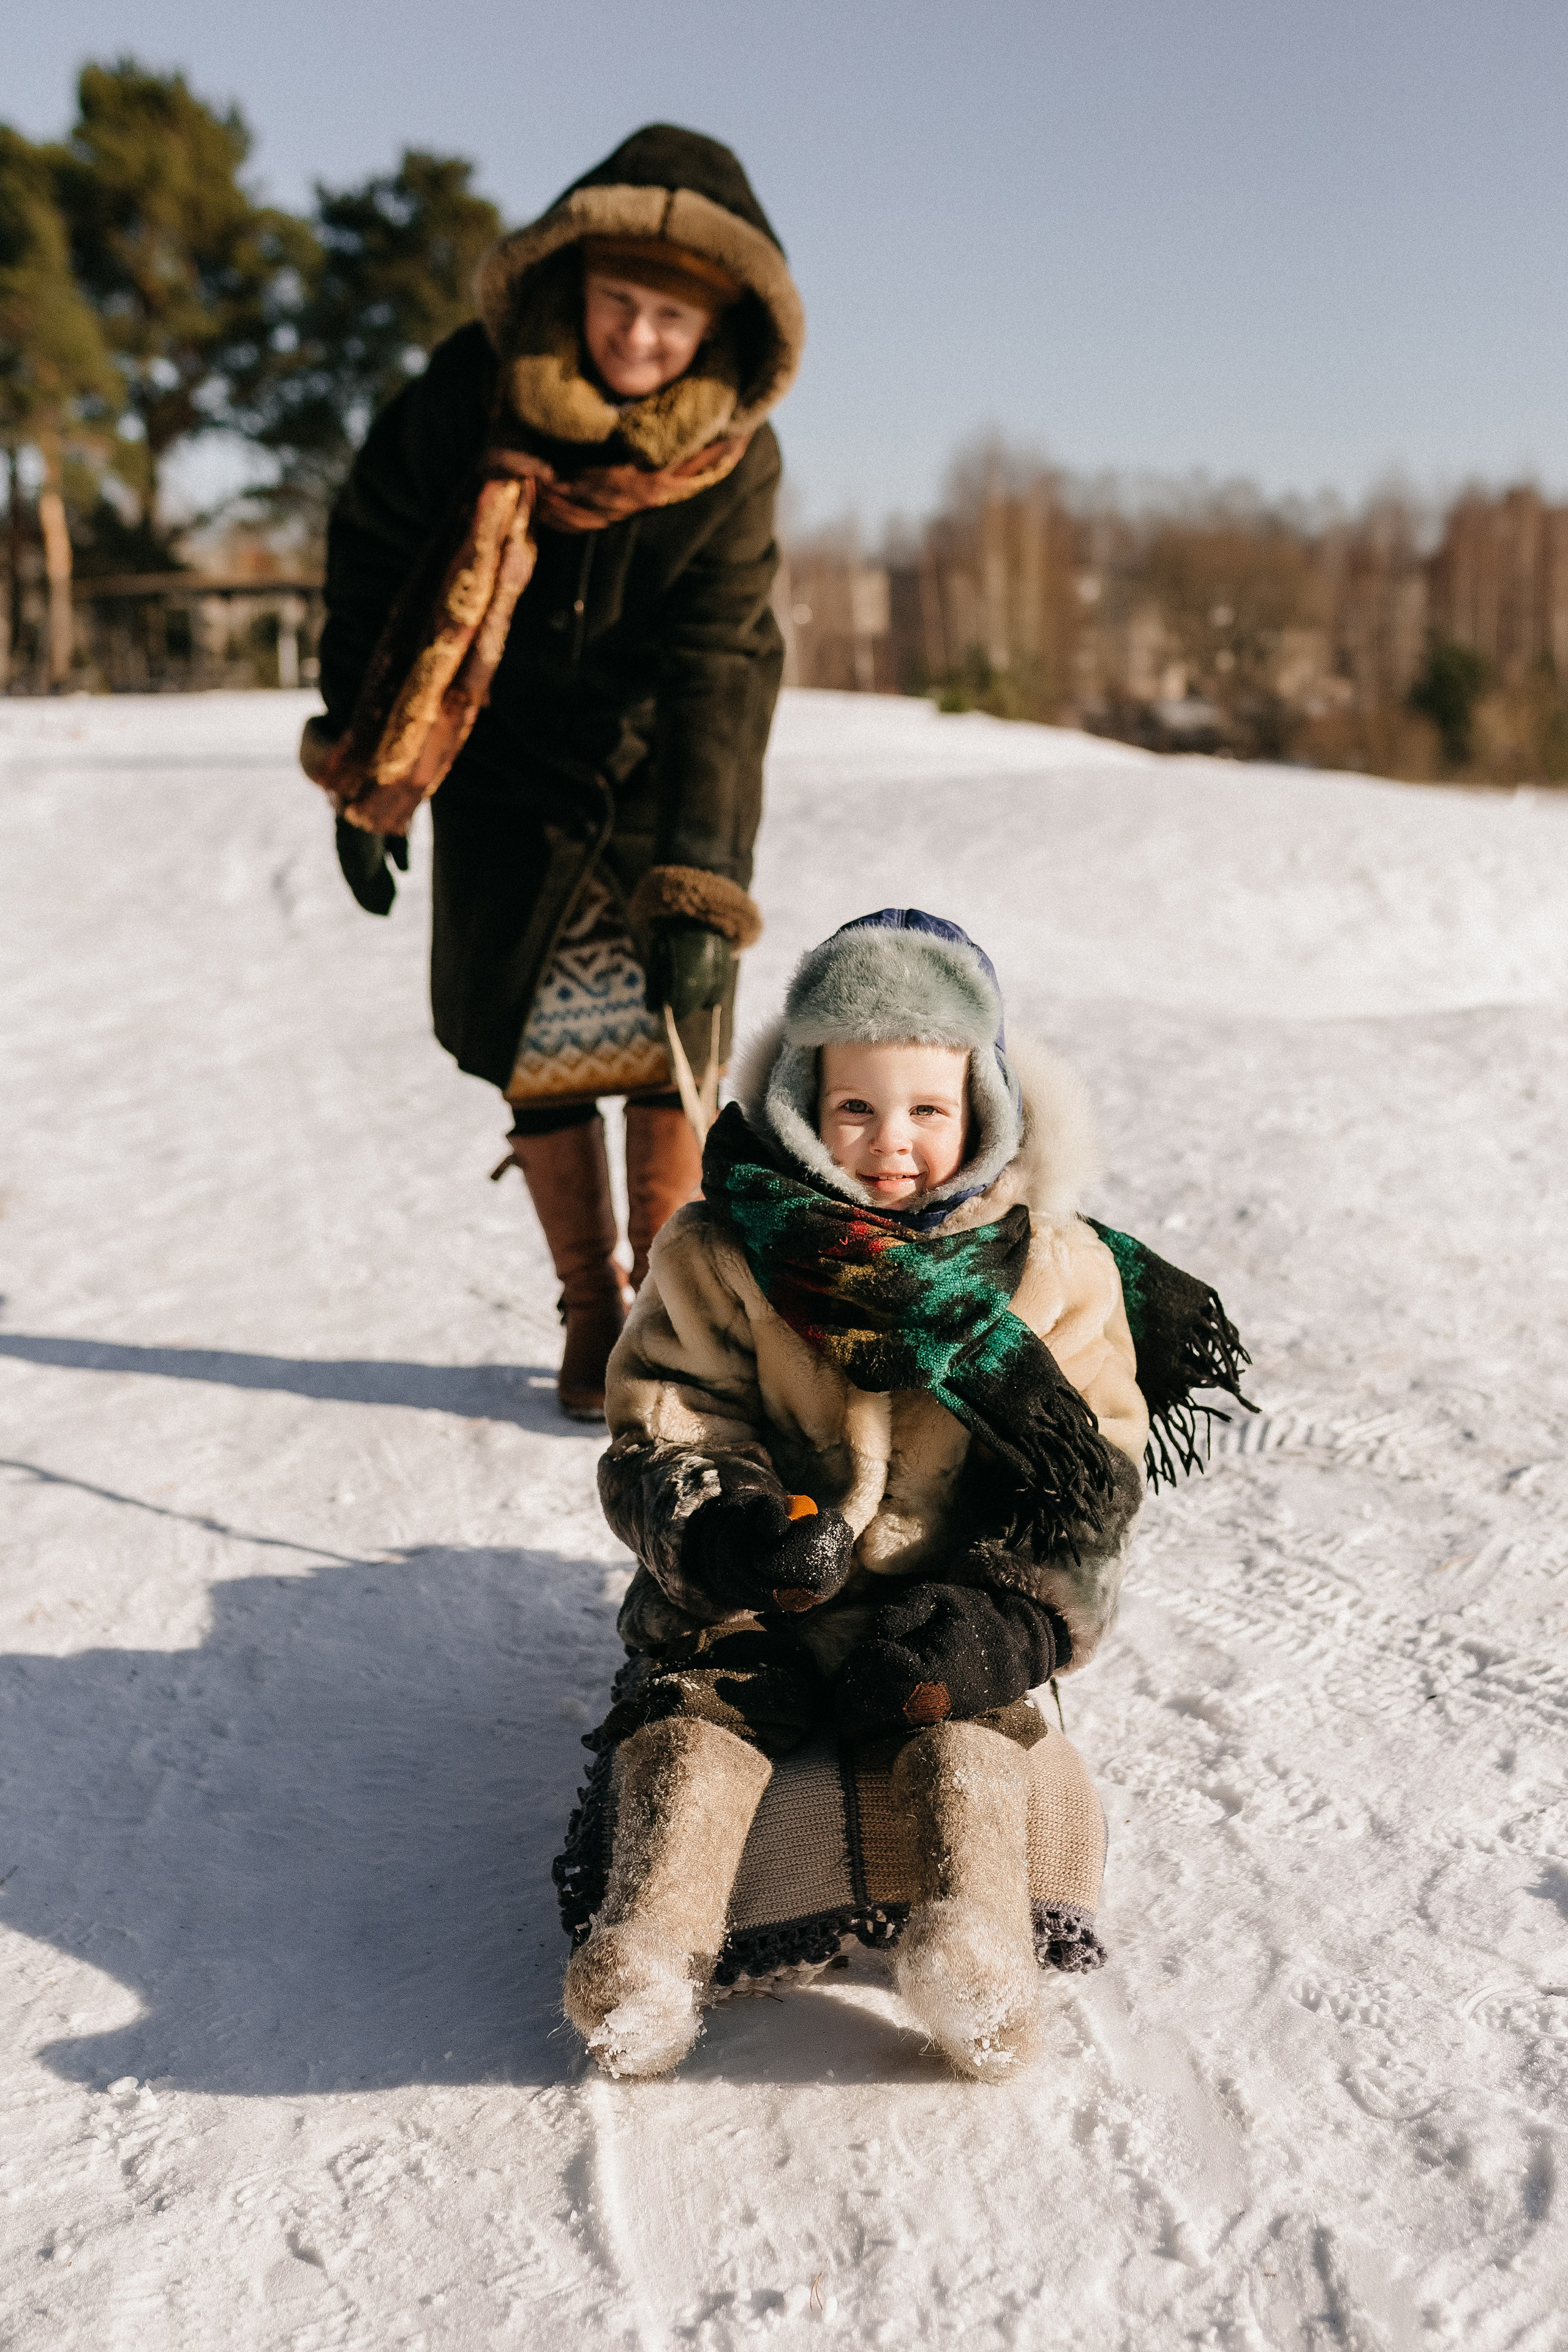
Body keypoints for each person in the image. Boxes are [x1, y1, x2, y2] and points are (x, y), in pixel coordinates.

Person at [565, 910, 1250, 2079]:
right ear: (800, 1106)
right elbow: (668, 1414)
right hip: (767, 1583)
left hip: (940, 1588)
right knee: (700, 1711)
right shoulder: (721, 1251)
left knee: (962, 1721)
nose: (894, 1143)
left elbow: (1098, 1471)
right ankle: (653, 1944)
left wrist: (1015, 1608)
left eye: (929, 1110)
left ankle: (972, 1945)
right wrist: (724, 1529)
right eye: (856, 1109)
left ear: (985, 1105)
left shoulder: (1052, 1266)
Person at [303, 126, 805, 1417]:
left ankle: (657, 1317)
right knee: (540, 1051)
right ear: (569, 287)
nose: (639, 338)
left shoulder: (730, 458)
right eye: (618, 303)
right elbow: (370, 558)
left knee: (657, 1051)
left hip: (655, 781)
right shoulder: (469, 391)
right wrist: (370, 766)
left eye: (671, 318)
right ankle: (590, 1308)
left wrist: (702, 884)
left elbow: (721, 668)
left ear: (719, 325)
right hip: (497, 764)